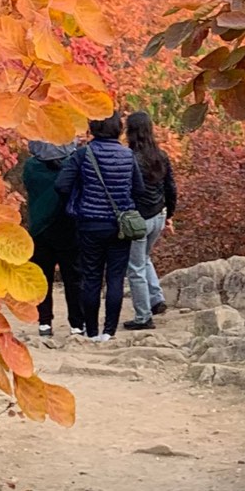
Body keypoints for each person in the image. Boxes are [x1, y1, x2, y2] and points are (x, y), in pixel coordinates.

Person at [56, 114, 143, 338]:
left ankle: (92, 332)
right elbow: (139, 189)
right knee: (115, 278)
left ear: (93, 127)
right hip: (120, 226)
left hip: (90, 224)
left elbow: (61, 185)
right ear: (118, 128)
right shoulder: (128, 154)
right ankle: (109, 332)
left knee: (91, 277)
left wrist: (80, 199)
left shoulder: (84, 154)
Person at [122, 108, 178, 329]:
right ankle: (156, 299)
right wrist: (169, 215)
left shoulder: (130, 159)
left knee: (134, 267)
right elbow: (171, 187)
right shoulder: (161, 155)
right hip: (159, 214)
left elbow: (126, 191)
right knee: (144, 258)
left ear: (130, 132)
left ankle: (143, 317)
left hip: (139, 219)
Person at [18, 138, 72, 341]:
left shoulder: (31, 167)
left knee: (43, 278)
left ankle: (44, 322)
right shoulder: (71, 164)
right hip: (68, 226)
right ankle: (76, 324)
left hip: (39, 228)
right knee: (73, 277)